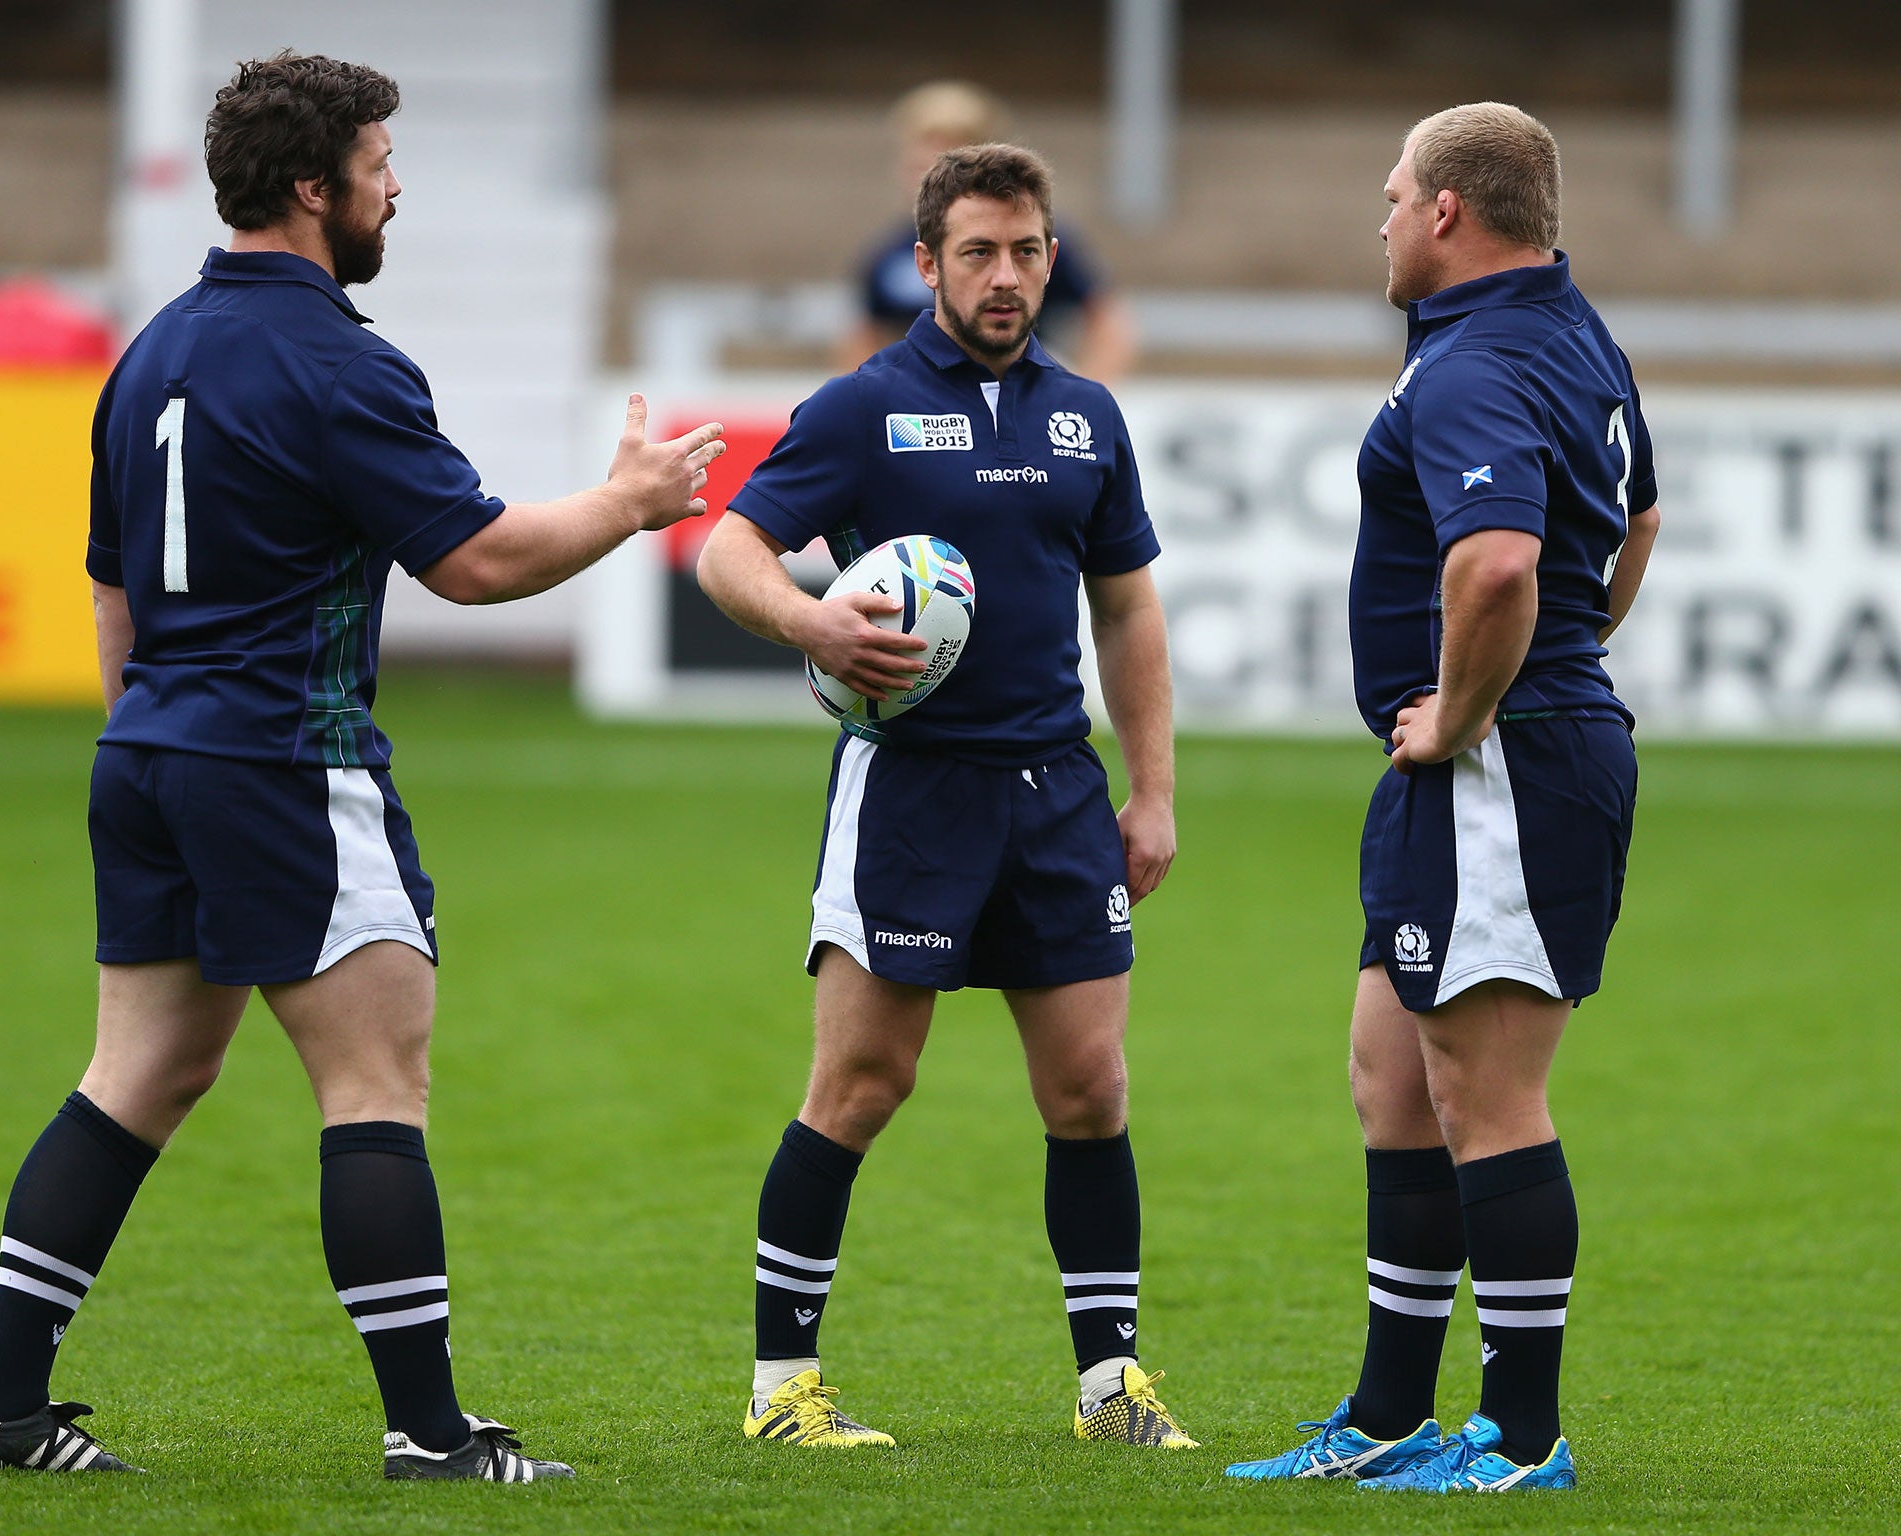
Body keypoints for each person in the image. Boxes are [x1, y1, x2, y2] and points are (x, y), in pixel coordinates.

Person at [0, 52, 725, 1483]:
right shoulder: (339, 359)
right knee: (375, 1083)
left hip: (152, 750)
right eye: (378, 164)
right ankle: (430, 1437)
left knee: (138, 1074)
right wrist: (629, 503)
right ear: (315, 187)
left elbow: (111, 590)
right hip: (287, 758)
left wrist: (155, 735)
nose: (395, 185)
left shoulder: (152, 349)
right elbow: (476, 562)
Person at [698, 142, 1189, 1450]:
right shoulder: (862, 409)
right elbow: (729, 548)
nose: (1008, 276)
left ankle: (1112, 1391)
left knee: (1091, 1090)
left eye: (1028, 250)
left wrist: (1152, 791)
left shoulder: (1088, 414)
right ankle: (780, 1394)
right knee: (861, 1084)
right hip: (913, 791)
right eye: (979, 251)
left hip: (1058, 793)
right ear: (926, 264)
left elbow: (1129, 608)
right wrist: (813, 624)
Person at [1224, 102, 1661, 1492]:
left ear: (1448, 215)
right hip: (1489, 760)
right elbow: (1638, 510)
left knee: (1486, 1094)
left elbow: (1495, 572)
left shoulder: (1478, 357)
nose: (1383, 218)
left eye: (1394, 193)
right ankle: (1389, 1414)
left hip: (1501, 767)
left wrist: (1470, 712)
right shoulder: (1569, 331)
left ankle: (1522, 1441)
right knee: (1392, 1081)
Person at [837, 82, 1135, 383]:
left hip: (1014, 399)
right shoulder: (889, 255)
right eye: (917, 162)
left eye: (937, 160)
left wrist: (1090, 393)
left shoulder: (1031, 241)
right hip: (929, 410)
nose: (922, 176)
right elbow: (864, 336)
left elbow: (1107, 322)